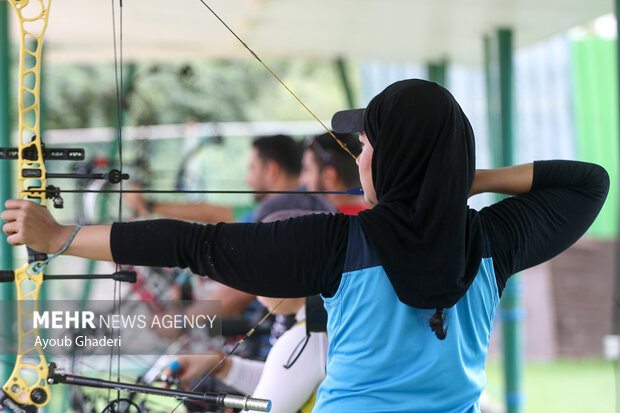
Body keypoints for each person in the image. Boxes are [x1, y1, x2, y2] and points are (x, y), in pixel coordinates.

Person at [2, 79, 609, 412]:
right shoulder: (495, 241)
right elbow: (589, 182)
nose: (360, 157)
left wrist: (59, 238)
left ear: (391, 157)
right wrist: (464, 180)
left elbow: (192, 245)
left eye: (367, 144)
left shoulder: (335, 242)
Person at [170, 209, 330, 413]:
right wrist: (221, 366)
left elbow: (285, 382)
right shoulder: (321, 322)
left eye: (254, 271)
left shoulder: (306, 338)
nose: (249, 285)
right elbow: (285, 384)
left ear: (285, 271)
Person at [125, 134, 303, 223]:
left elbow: (210, 213)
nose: (247, 179)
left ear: (271, 170)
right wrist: (150, 205)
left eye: (252, 168)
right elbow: (211, 213)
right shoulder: (268, 209)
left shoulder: (277, 214)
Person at [300, 132, 367, 214]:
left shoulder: (321, 224)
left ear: (329, 176)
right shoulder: (377, 219)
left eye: (307, 170)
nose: (302, 180)